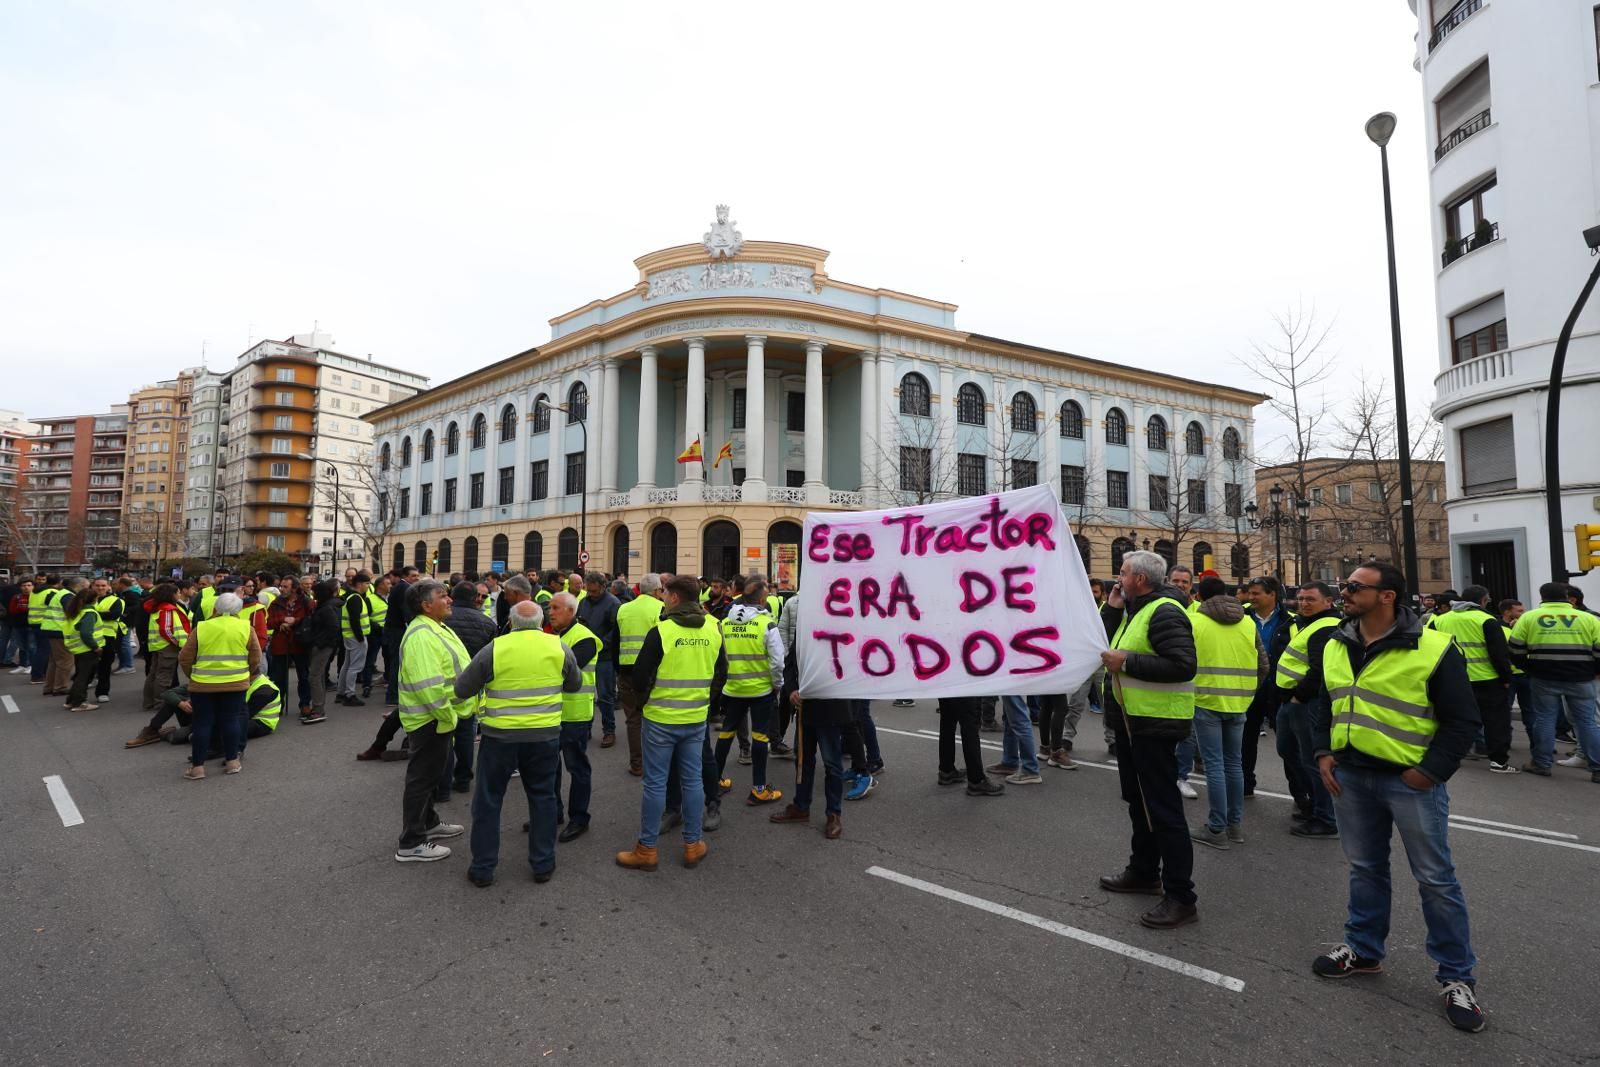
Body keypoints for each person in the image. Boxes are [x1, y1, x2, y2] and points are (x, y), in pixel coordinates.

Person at [1306, 562, 1486, 1033]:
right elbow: (1328, 700)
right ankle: (1363, 949)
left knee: (1435, 880)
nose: (1344, 592)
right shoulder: (1336, 641)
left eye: (1354, 587)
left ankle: (1456, 977)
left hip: (1408, 781)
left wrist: (1430, 772)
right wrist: (1324, 752)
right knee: (1365, 869)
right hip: (1350, 775)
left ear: (1387, 596)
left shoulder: (1433, 645)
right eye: (1345, 587)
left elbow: (1462, 719)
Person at [1095, 550, 1199, 930]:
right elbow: (1106, 648)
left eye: (1122, 574)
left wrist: (1129, 662)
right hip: (1132, 722)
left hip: (1155, 724)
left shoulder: (1165, 611)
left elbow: (1183, 664)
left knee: (1162, 810)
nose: (1117, 579)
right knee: (1139, 802)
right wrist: (1111, 609)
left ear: (1140, 579)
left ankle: (1181, 896)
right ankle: (1143, 871)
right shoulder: (1135, 611)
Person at [451, 599, 582, 885]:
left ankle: (483, 867)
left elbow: (462, 688)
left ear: (511, 622)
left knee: (488, 801)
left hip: (499, 737)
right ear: (539, 622)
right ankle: (543, 864)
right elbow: (575, 684)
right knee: (543, 798)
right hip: (544, 735)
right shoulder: (557, 646)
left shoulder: (495, 649)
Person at [617, 575, 726, 871]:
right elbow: (721, 675)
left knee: (655, 784)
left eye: (665, 594)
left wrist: (645, 702)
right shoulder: (715, 629)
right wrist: (704, 701)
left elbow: (640, 677)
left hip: (660, 719)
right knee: (692, 782)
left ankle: (647, 849)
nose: (662, 597)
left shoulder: (662, 631)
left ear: (675, 598)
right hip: (695, 718)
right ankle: (693, 845)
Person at [394, 580, 470, 863]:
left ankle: (428, 823)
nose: (449, 599)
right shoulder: (422, 636)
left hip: (436, 718)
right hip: (431, 720)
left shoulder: (432, 627)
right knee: (422, 779)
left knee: (429, 777)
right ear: (427, 605)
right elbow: (429, 687)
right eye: (442, 596)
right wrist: (448, 716)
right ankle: (411, 842)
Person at [1187, 576, 1265, 850]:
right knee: (1234, 764)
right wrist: (1247, 690)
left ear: (1199, 597)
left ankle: (1216, 828)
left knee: (1215, 766)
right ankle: (1235, 826)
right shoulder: (1247, 621)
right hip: (1240, 701)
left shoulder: (1195, 621)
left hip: (1206, 699)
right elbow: (1262, 663)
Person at [1508, 582, 1600, 781]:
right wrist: (1594, 671)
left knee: (1544, 718)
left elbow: (1515, 649)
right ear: (1567, 597)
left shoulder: (1529, 618)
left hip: (1544, 677)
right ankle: (1597, 768)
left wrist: (1530, 668)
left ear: (1542, 597)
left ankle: (1541, 763)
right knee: (1587, 722)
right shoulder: (1588, 619)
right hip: (1581, 678)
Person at [1275, 582, 1344, 838]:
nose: (1303, 603)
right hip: (1294, 702)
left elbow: (1320, 670)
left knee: (1313, 760)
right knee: (1290, 751)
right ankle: (1313, 806)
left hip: (1305, 703)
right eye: (1301, 598)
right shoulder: (1312, 624)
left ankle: (1325, 817)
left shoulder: (1324, 627)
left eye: (1310, 599)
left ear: (1328, 601)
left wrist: (1298, 697)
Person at [712, 576, 785, 806]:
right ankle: (759, 789)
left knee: (726, 733)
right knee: (760, 736)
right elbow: (777, 662)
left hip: (733, 688)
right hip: (761, 690)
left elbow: (720, 657)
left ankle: (714, 780)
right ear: (763, 598)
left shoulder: (725, 622)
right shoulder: (767, 624)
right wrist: (778, 685)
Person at [1428, 585, 1516, 773]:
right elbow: (1499, 654)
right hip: (1487, 679)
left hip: (1453, 679)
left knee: (1452, 719)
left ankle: (1448, 755)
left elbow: (1430, 647)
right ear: (1483, 600)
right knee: (1496, 722)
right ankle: (1498, 761)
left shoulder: (1441, 620)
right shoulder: (1487, 620)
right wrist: (1506, 677)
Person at [177, 593, 261, 779]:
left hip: (203, 683)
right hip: (235, 682)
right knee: (230, 720)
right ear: (238, 609)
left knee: (202, 722)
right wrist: (245, 673)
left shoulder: (202, 628)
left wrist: (193, 675)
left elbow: (185, 657)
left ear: (215, 608)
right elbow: (255, 657)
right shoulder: (246, 627)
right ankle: (232, 761)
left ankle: (197, 767)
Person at [549, 592, 598, 843]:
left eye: (556, 608)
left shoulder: (585, 638)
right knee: (551, 766)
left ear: (571, 611)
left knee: (577, 768)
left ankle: (579, 818)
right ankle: (553, 812)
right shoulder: (558, 636)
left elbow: (564, 669)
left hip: (576, 714)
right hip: (553, 713)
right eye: (549, 608)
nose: (550, 612)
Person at [439, 580, 496, 801]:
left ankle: (443, 786)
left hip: (443, 685)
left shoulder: (442, 621)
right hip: (472, 685)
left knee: (444, 736)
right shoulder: (486, 623)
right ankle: (463, 779)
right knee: (465, 734)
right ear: (475, 598)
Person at [1243, 575, 1296, 797]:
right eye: (1250, 593)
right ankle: (1245, 784)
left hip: (1278, 689)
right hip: (1250, 687)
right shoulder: (1240, 616)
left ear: (1272, 594)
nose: (1250, 597)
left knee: (1288, 745)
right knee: (1245, 740)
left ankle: (1299, 793)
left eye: (1256, 593)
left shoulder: (1291, 620)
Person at [615, 572, 666, 775]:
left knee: (633, 719)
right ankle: (656, 761)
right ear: (656, 591)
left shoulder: (623, 609)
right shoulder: (661, 608)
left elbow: (616, 640)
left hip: (626, 669)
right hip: (653, 671)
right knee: (654, 717)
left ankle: (637, 763)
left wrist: (617, 668)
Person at [577, 571, 621, 748]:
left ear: (603, 587)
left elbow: (615, 630)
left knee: (605, 697)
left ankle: (609, 731)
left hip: (604, 657)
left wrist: (601, 644)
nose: (591, 594)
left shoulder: (613, 604)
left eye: (594, 591)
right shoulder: (583, 602)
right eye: (589, 591)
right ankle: (586, 729)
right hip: (586, 656)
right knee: (585, 695)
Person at [937, 694, 1006, 796]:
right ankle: (976, 780)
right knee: (969, 724)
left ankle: (946, 770)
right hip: (961, 684)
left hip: (944, 682)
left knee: (947, 720)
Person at [266, 577, 312, 717]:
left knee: (304, 676)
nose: (281, 589)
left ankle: (305, 704)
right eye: (281, 586)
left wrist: (295, 621)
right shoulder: (276, 602)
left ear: (294, 588)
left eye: (285, 586)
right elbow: (269, 622)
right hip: (281, 644)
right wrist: (283, 620)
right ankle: (278, 705)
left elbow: (311, 620)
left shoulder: (306, 602)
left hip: (300, 643)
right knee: (279, 678)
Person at [141, 583, 191, 710]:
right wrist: (176, 643)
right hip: (167, 647)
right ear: (172, 594)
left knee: (154, 674)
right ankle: (159, 703)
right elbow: (166, 630)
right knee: (164, 676)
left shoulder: (157, 607)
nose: (179, 595)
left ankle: (149, 701)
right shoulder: (167, 609)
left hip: (158, 645)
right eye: (178, 592)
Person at [302, 579, 343, 724]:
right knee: (317, 676)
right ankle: (318, 707)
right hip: (323, 645)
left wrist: (319, 643)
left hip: (323, 646)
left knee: (314, 676)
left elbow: (334, 628)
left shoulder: (326, 608)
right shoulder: (325, 606)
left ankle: (318, 709)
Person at [60, 580, 102, 712]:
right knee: (84, 677)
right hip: (87, 649)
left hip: (77, 648)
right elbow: (86, 633)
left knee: (80, 676)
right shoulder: (89, 613)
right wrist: (95, 647)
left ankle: (71, 701)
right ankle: (79, 702)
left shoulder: (76, 610)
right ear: (94, 599)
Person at [336, 572, 371, 706]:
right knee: (355, 667)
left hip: (350, 636)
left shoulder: (352, 597)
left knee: (347, 666)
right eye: (367, 583)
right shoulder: (356, 598)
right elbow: (354, 620)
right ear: (360, 584)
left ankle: (341, 693)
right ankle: (350, 695)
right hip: (356, 637)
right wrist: (360, 638)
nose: (368, 586)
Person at [89, 577, 125, 703]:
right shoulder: (86, 599)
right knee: (86, 665)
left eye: (103, 585)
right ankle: (83, 689)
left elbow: (114, 614)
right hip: (89, 637)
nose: (100, 588)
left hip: (108, 637)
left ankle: (102, 692)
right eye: (97, 585)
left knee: (105, 666)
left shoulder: (115, 600)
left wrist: (93, 614)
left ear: (108, 586)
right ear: (92, 586)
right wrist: (102, 614)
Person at [39, 576, 74, 696]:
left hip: (53, 628)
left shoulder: (61, 593)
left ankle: (50, 686)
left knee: (55, 661)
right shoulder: (68, 595)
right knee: (65, 660)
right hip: (60, 630)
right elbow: (72, 613)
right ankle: (60, 687)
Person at [359, 574, 390, 697]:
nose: (390, 586)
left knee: (389, 659)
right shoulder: (369, 599)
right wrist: (375, 625)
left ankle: (388, 680)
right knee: (370, 660)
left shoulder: (390, 598)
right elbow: (365, 617)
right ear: (380, 585)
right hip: (375, 634)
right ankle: (367, 685)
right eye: (388, 584)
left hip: (387, 633)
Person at [5, 577, 34, 673]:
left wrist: (21, 608)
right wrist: (25, 608)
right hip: (18, 625)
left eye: (29, 585)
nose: (26, 587)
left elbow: (33, 610)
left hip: (31, 625)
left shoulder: (35, 597)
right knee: (21, 646)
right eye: (24, 585)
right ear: (20, 587)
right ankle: (22, 665)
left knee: (31, 646)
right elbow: (12, 610)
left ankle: (31, 665)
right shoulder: (16, 597)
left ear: (33, 587)